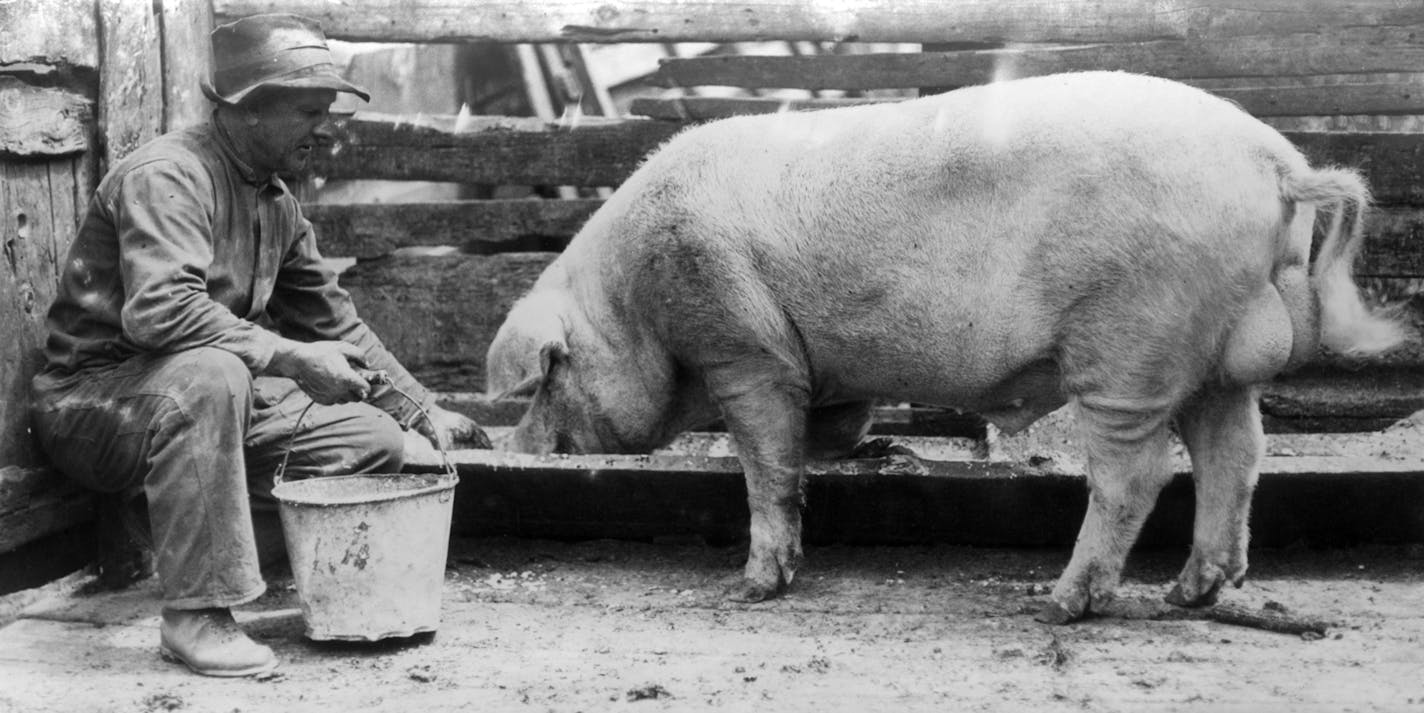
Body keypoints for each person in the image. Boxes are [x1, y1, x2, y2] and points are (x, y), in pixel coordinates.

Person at [28, 13, 491, 677]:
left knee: (371, 441)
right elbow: (159, 313)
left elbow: (337, 323)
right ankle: (196, 613)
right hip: (98, 403)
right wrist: (288, 356)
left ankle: (195, 548)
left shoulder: (275, 203)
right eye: (309, 110)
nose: (326, 127)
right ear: (246, 110)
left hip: (201, 401)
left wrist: (422, 410)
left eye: (329, 110)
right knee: (214, 375)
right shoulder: (169, 175)